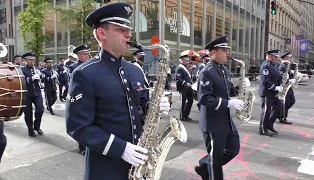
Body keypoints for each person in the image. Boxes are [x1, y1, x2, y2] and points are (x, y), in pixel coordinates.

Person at [65, 2, 170, 179]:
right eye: (121, 29)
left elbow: (141, 103)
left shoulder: (135, 70)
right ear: (102, 33)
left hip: (140, 162)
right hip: (105, 168)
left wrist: (153, 106)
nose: (128, 34)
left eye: (128, 29)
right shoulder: (85, 73)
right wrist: (121, 148)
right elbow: (78, 127)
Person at [194, 36, 250, 180]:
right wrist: (229, 103)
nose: (227, 53)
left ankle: (205, 165)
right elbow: (204, 98)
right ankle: (210, 168)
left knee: (233, 148)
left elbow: (229, 91)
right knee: (216, 159)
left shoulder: (224, 70)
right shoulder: (207, 72)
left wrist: (241, 86)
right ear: (214, 52)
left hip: (224, 119)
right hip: (213, 122)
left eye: (227, 50)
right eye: (224, 50)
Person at [258, 50, 283, 137]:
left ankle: (269, 124)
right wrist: (275, 87)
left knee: (279, 107)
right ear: (269, 56)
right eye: (275, 56)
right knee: (266, 111)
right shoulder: (266, 66)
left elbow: (277, 77)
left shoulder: (274, 65)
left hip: (273, 92)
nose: (277, 58)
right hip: (267, 92)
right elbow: (266, 81)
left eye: (277, 56)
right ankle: (263, 129)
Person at [21, 52, 44, 137]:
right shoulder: (22, 70)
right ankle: (30, 129)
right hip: (27, 94)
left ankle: (37, 126)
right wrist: (31, 78)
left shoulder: (37, 68)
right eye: (30, 60)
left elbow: (42, 78)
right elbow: (22, 81)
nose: (32, 61)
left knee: (40, 109)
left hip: (37, 93)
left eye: (33, 60)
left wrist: (41, 75)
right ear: (25, 60)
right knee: (28, 113)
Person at [176, 50, 194, 121]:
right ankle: (182, 116)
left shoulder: (186, 68)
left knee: (190, 101)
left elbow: (189, 77)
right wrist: (186, 83)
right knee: (182, 103)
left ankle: (186, 114)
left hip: (189, 88)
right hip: (183, 88)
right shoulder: (180, 68)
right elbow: (178, 79)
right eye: (186, 60)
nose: (187, 61)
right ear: (182, 60)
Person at [277, 52, 295, 124]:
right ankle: (282, 117)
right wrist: (288, 80)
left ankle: (281, 115)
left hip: (288, 86)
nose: (291, 58)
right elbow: (280, 76)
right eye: (289, 57)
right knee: (286, 102)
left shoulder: (287, 65)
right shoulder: (282, 66)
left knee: (291, 101)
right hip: (284, 87)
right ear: (285, 58)